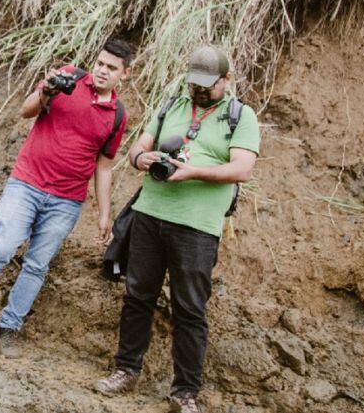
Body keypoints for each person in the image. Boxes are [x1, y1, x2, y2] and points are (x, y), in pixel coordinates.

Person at [0, 40, 132, 358]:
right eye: (100, 63)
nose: (102, 70)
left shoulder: (117, 115)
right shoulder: (69, 77)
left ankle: (9, 327)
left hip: (67, 200)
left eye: (111, 68)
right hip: (26, 183)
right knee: (0, 247)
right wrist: (48, 90)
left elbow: (105, 165)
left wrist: (104, 213)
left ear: (124, 74)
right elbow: (26, 110)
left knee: (37, 265)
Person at [95, 46, 260, 413]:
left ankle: (185, 392)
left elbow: (242, 169)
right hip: (149, 215)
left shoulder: (240, 116)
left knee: (190, 309)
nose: (198, 92)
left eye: (207, 86)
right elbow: (138, 148)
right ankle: (126, 369)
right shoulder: (172, 106)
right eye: (193, 84)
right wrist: (143, 159)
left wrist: (192, 172)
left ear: (226, 81)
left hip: (197, 229)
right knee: (138, 296)